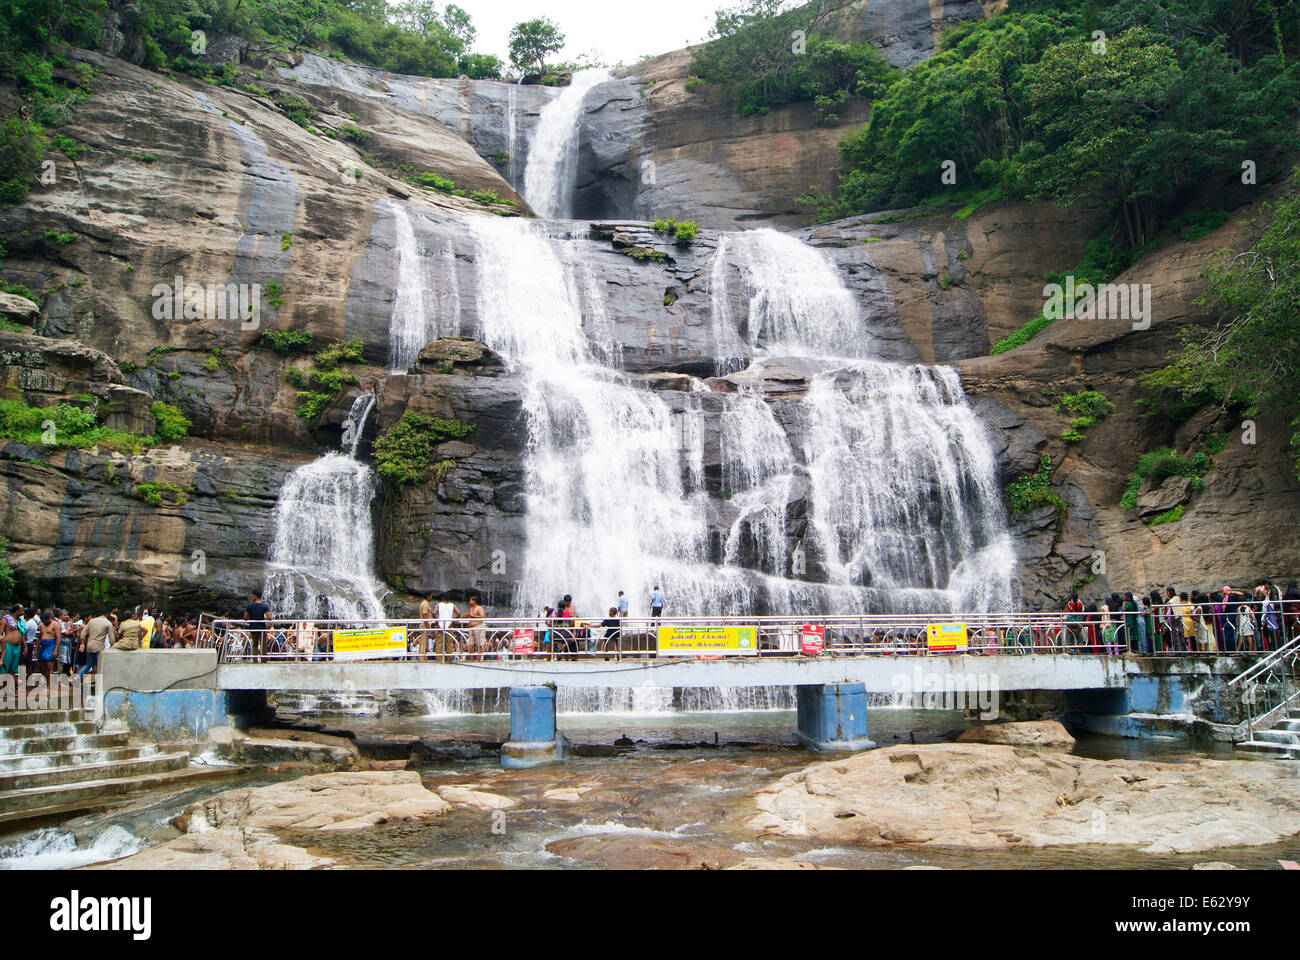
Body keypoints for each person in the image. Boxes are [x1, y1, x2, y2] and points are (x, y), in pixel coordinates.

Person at [80, 609, 115, 675]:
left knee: (88, 665)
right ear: (108, 614)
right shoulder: (107, 623)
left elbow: (83, 633)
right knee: (100, 665)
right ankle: (99, 681)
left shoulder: (91, 621)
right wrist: (113, 646)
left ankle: (76, 678)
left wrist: (82, 643)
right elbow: (111, 638)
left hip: (89, 646)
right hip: (99, 647)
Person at [243, 591, 271, 659]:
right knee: (263, 644)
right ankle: (263, 660)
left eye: (252, 595)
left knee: (255, 644)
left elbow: (245, 617)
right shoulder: (264, 606)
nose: (252, 597)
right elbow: (269, 617)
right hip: (262, 627)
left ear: (255, 596)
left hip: (253, 627)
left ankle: (254, 659)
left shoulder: (249, 605)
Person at [2, 606, 23, 676]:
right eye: (21, 611)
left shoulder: (21, 621)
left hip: (18, 646)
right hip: (8, 645)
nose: (23, 613)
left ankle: (10, 685)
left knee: (14, 668)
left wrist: (25, 646)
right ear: (17, 610)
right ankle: (2, 685)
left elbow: (22, 634)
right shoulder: (5, 620)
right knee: (5, 666)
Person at [418, 592, 434, 660]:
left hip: (425, 625)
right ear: (427, 596)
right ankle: (422, 659)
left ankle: (422, 657)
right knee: (424, 643)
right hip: (425, 625)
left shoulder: (425, 603)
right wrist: (428, 627)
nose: (431, 597)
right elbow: (424, 615)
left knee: (423, 642)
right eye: (431, 596)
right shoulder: (425, 604)